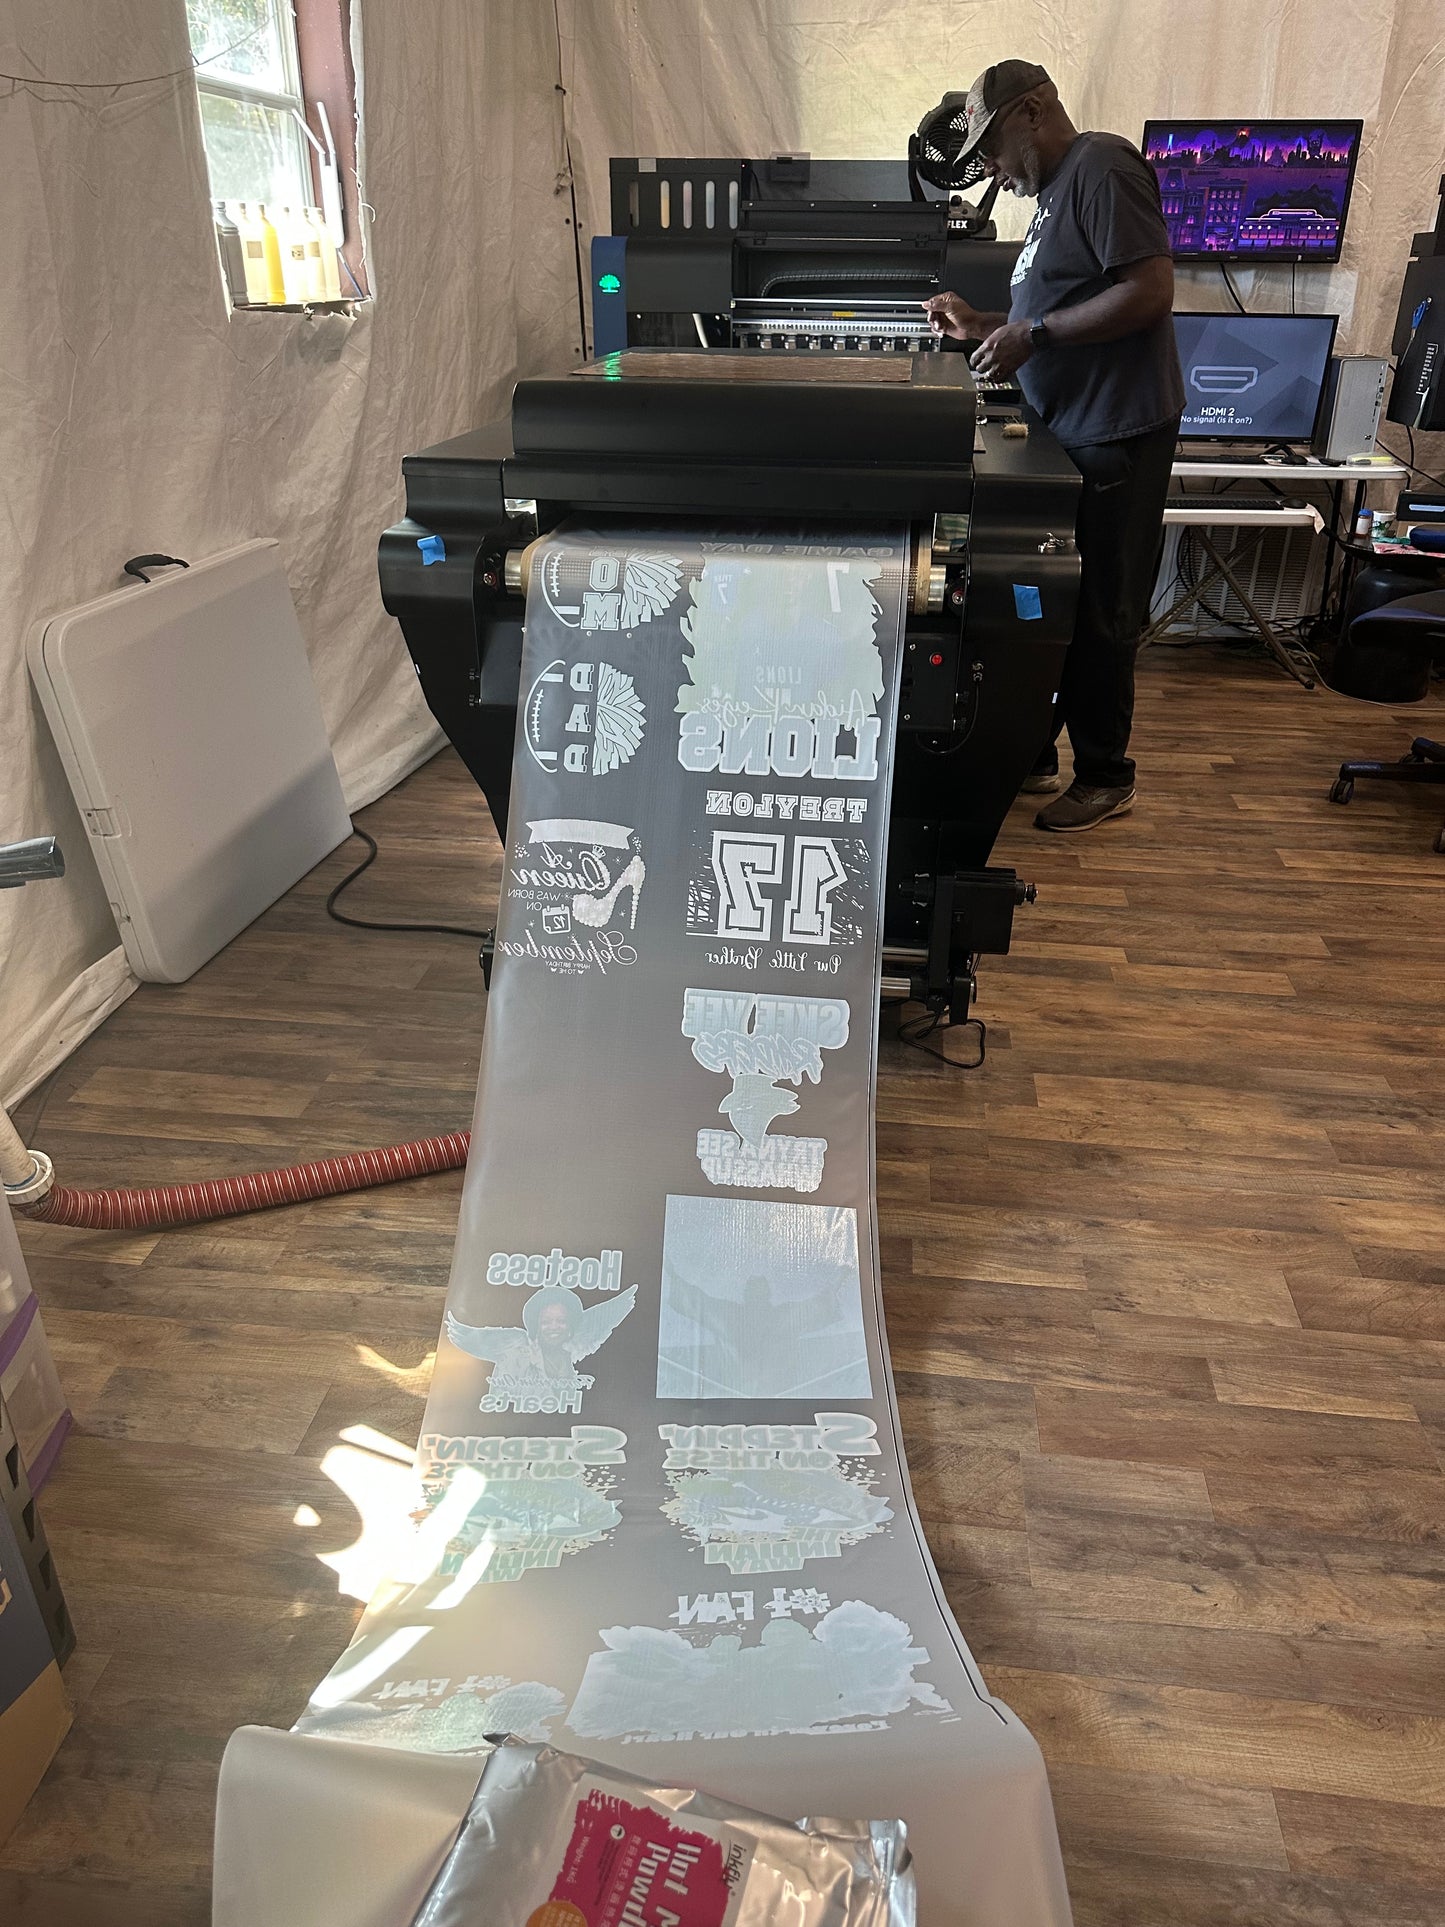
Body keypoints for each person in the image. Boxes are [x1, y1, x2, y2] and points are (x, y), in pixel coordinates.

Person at [924, 61, 1183, 832]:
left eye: (991, 147)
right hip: (1074, 426)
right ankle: (1034, 749)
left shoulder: (1101, 165)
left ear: (1032, 112)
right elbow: (1056, 305)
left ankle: (1105, 774)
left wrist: (1030, 335)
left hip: (1116, 427)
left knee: (1103, 607)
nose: (989, 168)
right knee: (1058, 600)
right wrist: (983, 325)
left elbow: (1148, 290)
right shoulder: (1054, 196)